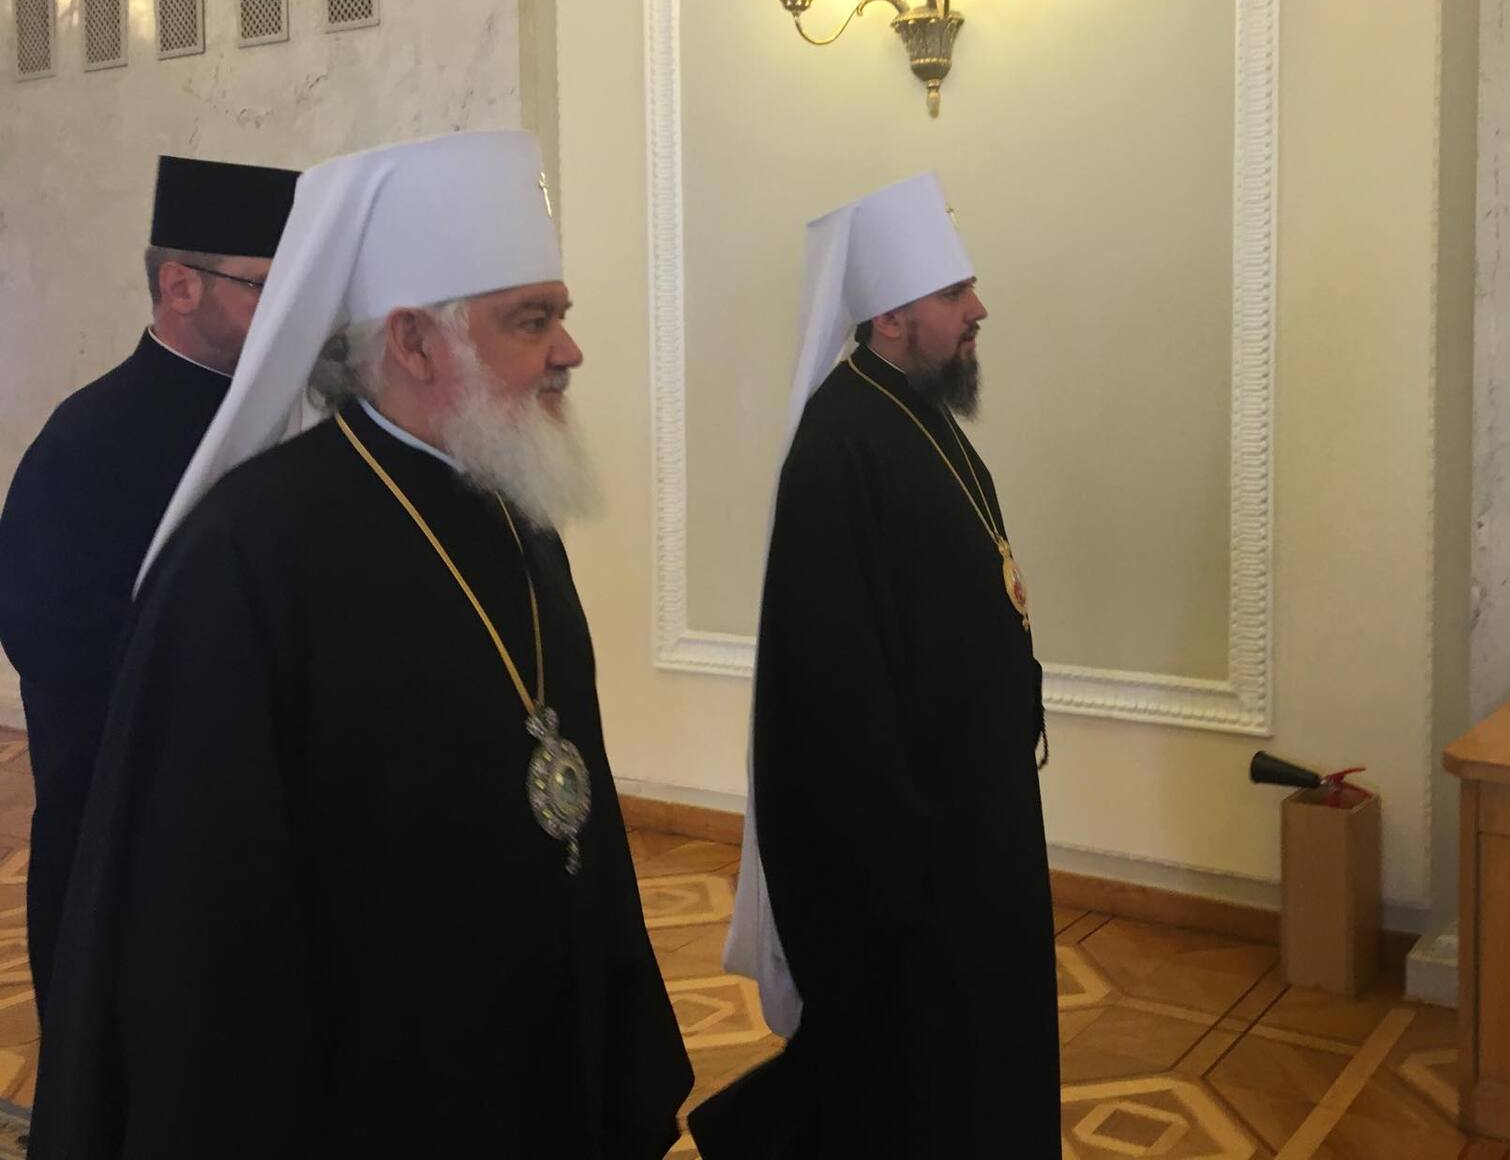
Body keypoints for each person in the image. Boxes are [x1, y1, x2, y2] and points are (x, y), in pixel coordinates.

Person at [30, 131, 692, 1158]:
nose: (568, 350)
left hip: (532, 1042)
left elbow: (567, 780)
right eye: (533, 320)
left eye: (558, 316)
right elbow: (206, 922)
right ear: (415, 343)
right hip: (367, 1086)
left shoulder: (517, 515)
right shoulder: (245, 555)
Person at [690, 174, 1059, 1158]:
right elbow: (835, 704)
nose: (979, 310)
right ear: (892, 315)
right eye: (957, 293)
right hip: (918, 868)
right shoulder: (840, 448)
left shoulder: (918, 416)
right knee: (919, 1096)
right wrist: (903, 883)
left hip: (976, 832)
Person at [0, 155, 297, 1018]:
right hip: (128, 815)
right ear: (179, 286)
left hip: (262, 814)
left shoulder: (289, 417)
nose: (288, 309)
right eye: (263, 287)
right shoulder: (88, 439)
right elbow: (48, 635)